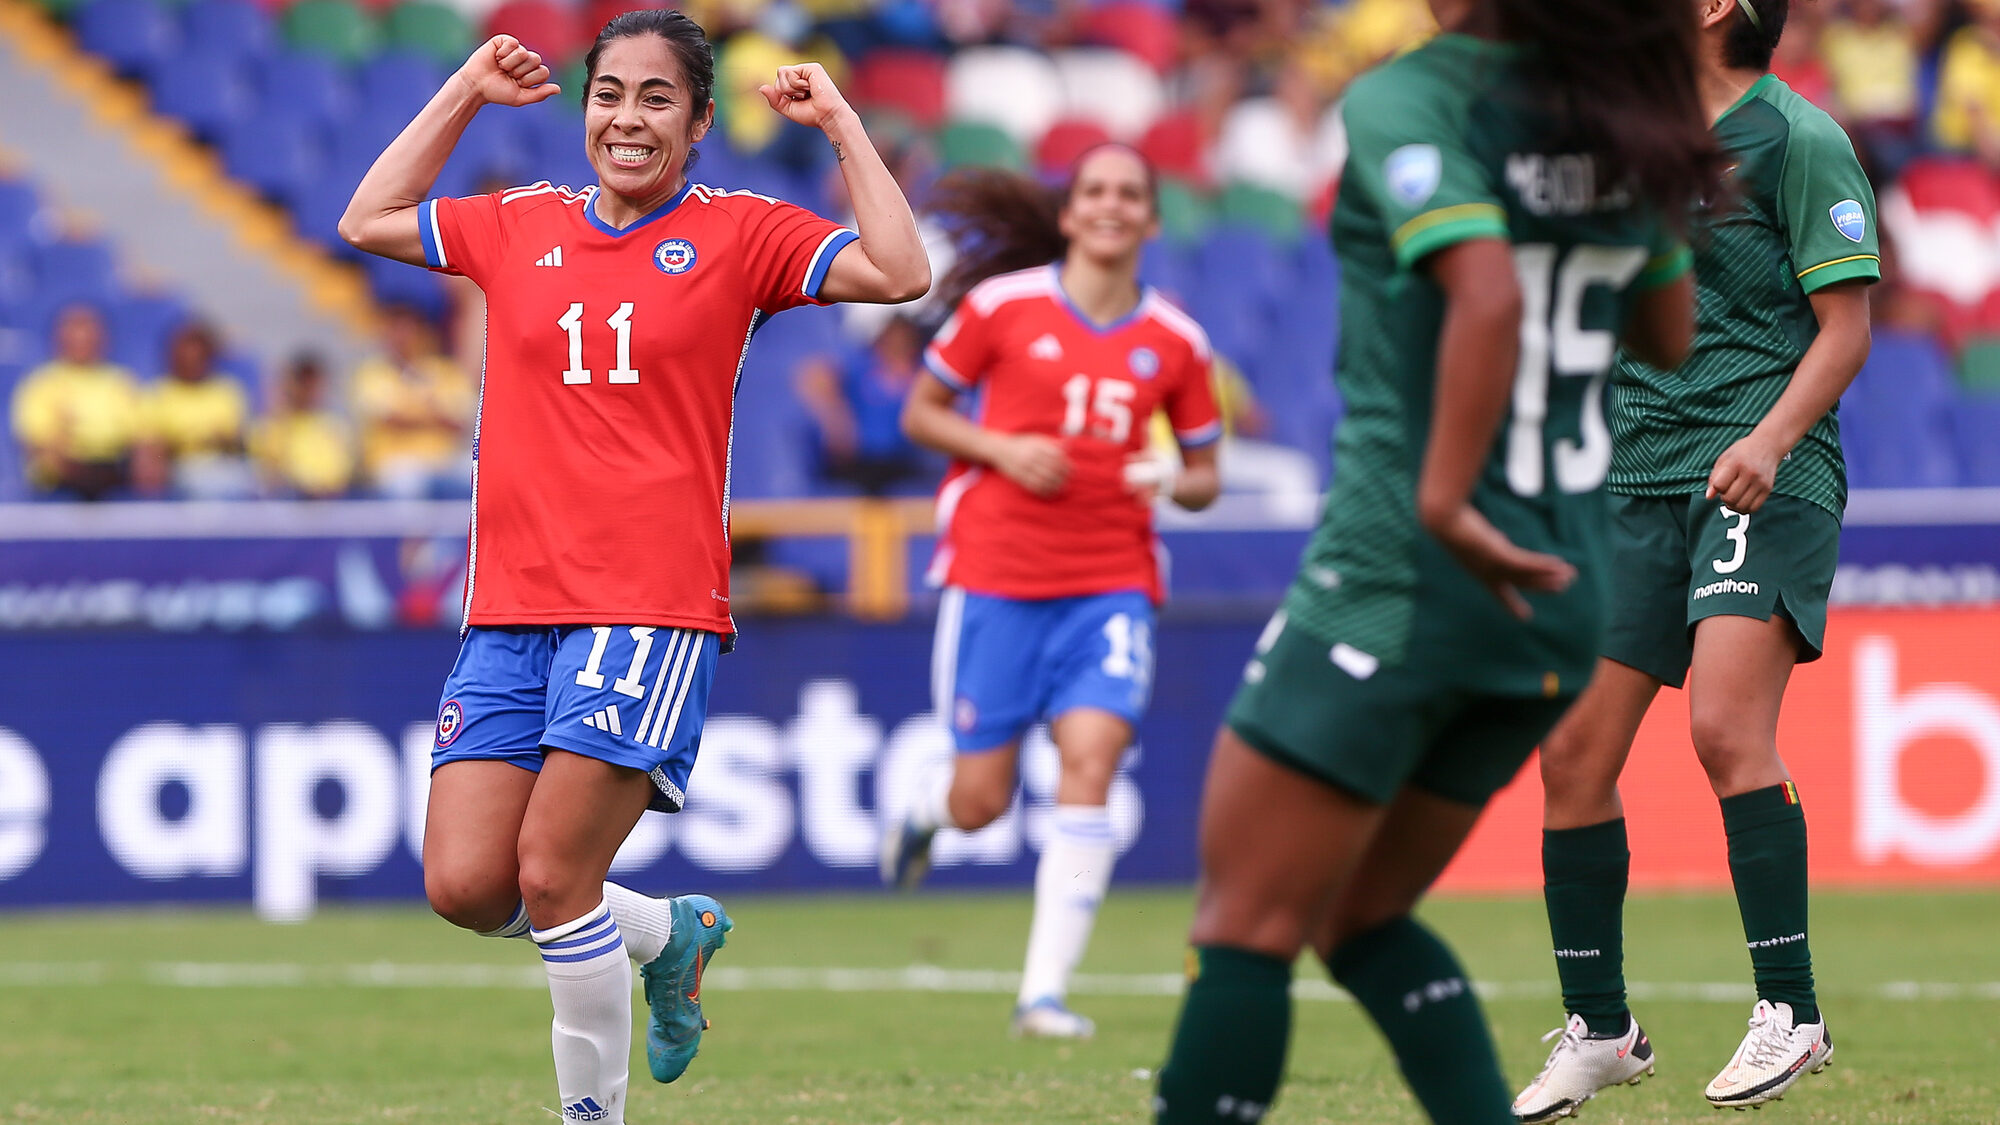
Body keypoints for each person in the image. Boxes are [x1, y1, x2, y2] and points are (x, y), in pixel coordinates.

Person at [337, 14, 927, 1125]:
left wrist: (841, 122)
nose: (628, 118)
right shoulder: (519, 224)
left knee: (555, 879)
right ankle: (666, 931)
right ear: (583, 108)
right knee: (467, 886)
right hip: (509, 606)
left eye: (658, 99)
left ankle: (588, 1118)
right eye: (610, 93)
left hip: (645, 607)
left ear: (701, 123)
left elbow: (900, 270)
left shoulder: (741, 232)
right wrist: (468, 83)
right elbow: (365, 217)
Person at [1148, 0, 1719, 1119]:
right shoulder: (1613, 116)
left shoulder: (1411, 94)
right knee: (1356, 917)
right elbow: (1667, 332)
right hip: (1561, 593)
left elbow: (1490, 291)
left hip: (1406, 573)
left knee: (1242, 923)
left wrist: (1447, 497)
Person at [1513, 0, 1876, 1119]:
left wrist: (1766, 442)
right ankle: (1599, 1029)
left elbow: (1847, 324)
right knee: (1571, 752)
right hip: (1627, 483)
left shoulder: (1798, 137)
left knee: (1722, 726)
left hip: (1761, 470)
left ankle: (1790, 1009)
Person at [880, 145, 1224, 1039]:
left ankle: (1043, 994)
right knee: (980, 801)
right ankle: (927, 807)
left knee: (1090, 766)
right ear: (1069, 215)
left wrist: (1169, 474)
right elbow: (921, 412)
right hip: (996, 577)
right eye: (1096, 191)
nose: (1112, 206)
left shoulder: (1177, 342)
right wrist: (1000, 448)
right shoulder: (999, 308)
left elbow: (1206, 476)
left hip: (1111, 582)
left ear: (1151, 220)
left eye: (1131, 195)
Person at [10, 303, 143, 500]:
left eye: (88, 331)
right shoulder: (41, 383)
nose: (81, 339)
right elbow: (35, 443)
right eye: (74, 331)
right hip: (62, 473)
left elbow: (141, 435)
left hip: (111, 467)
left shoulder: (121, 381)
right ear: (59, 337)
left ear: (102, 337)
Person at [794, 311, 933, 495]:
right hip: (859, 461)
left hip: (906, 460)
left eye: (905, 336)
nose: (899, 342)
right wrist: (835, 419)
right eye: (894, 335)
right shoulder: (862, 364)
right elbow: (812, 376)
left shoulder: (922, 370)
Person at [350, 302, 474, 499]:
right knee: (406, 484)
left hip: (443, 459)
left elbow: (461, 422)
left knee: (478, 471)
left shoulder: (444, 371)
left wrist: (412, 410)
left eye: (408, 330)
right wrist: (432, 412)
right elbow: (390, 420)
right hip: (396, 461)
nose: (402, 338)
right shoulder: (372, 373)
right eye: (395, 330)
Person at [135, 320, 254, 499]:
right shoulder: (158, 394)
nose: (191, 362)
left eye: (197, 356)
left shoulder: (226, 392)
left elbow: (234, 440)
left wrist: (190, 439)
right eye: (185, 356)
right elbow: (152, 446)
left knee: (241, 480)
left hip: (221, 466)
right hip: (177, 468)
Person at [250, 352, 356, 498]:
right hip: (289, 500)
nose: (309, 389)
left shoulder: (336, 426)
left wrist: (320, 486)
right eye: (303, 381)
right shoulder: (270, 427)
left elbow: (342, 474)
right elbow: (269, 474)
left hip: (330, 502)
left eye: (313, 382)